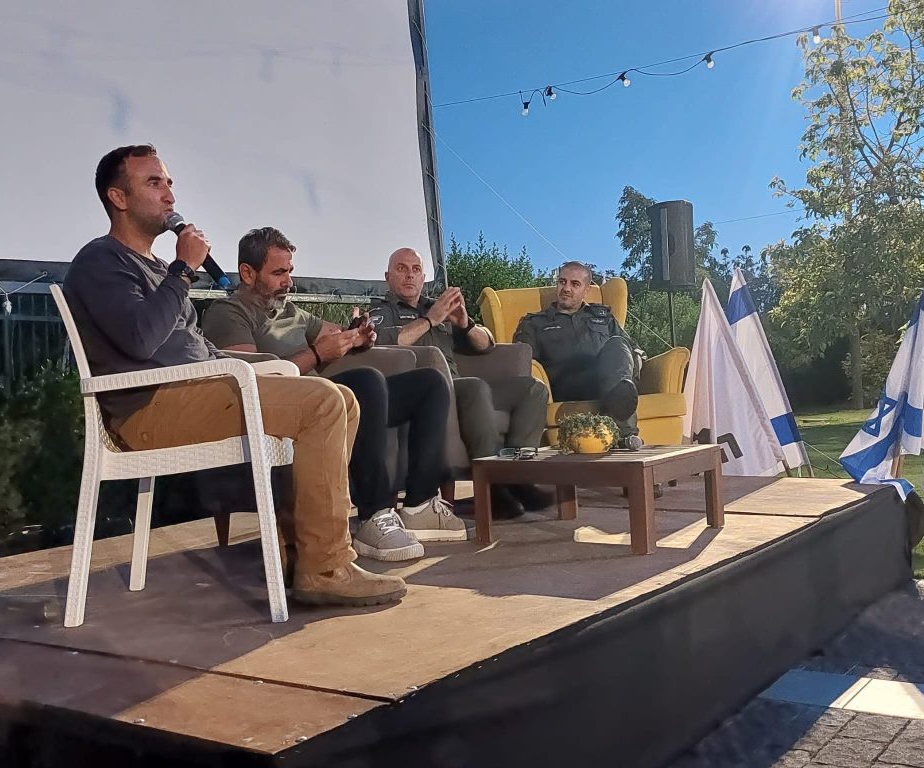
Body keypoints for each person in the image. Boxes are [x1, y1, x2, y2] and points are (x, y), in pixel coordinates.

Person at [62, 144, 406, 608]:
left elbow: (196, 348)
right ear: (118, 198)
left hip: (200, 390)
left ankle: (300, 552)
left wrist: (269, 366)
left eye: (169, 183)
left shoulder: (156, 268)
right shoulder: (101, 261)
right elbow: (140, 339)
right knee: (322, 402)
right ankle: (327, 568)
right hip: (151, 406)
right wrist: (183, 269)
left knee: (342, 398)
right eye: (154, 183)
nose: (170, 195)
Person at [201, 227, 472, 563]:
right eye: (279, 273)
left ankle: (419, 505)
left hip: (326, 403)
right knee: (366, 382)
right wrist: (317, 354)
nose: (289, 282)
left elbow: (337, 334)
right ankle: (374, 516)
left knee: (429, 383)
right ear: (247, 273)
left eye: (290, 271)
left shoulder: (292, 312)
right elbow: (252, 377)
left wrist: (360, 337)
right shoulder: (228, 313)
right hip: (283, 414)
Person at [369, 248, 552, 518]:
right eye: (401, 268)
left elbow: (486, 345)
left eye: (416, 269)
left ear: (423, 277)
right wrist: (429, 321)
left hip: (462, 387)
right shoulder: (382, 310)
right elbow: (381, 342)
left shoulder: (438, 306)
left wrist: (465, 324)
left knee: (532, 389)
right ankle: (493, 489)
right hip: (428, 392)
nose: (409, 275)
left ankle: (517, 477)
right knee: (475, 386)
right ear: (387, 277)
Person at [513, 261, 642, 450]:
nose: (566, 288)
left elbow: (634, 350)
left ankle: (621, 412)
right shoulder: (535, 322)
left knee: (618, 343)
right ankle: (626, 437)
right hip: (565, 385)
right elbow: (523, 361)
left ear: (587, 290)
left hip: (605, 382)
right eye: (562, 282)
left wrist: (631, 369)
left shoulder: (603, 316)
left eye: (575, 284)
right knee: (617, 380)